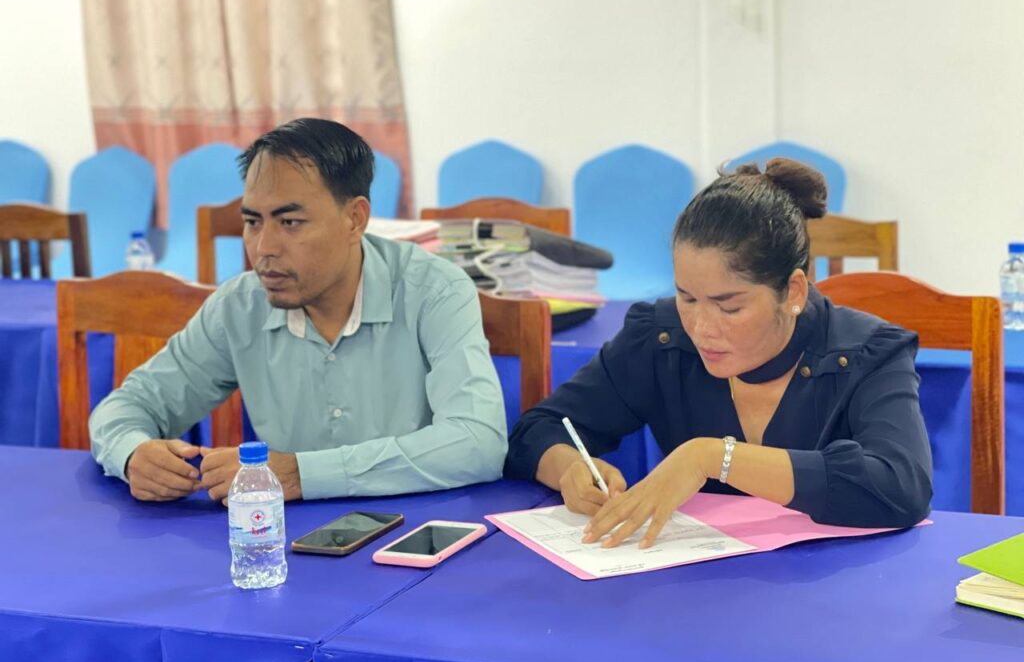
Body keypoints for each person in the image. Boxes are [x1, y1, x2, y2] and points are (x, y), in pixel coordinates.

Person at [505, 159, 932, 548]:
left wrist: (711, 457)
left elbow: (901, 487)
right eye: (687, 298)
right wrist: (569, 469)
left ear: (793, 292)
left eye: (729, 307)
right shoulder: (661, 339)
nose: (701, 328)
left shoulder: (867, 353)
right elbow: (537, 431)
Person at [90, 118, 507, 502]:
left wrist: (301, 474)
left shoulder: (434, 292)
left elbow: (478, 441)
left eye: (289, 222)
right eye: (253, 222)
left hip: (416, 532)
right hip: (283, 542)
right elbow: (128, 406)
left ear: (355, 219)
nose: (263, 248)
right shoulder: (240, 307)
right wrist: (133, 454)